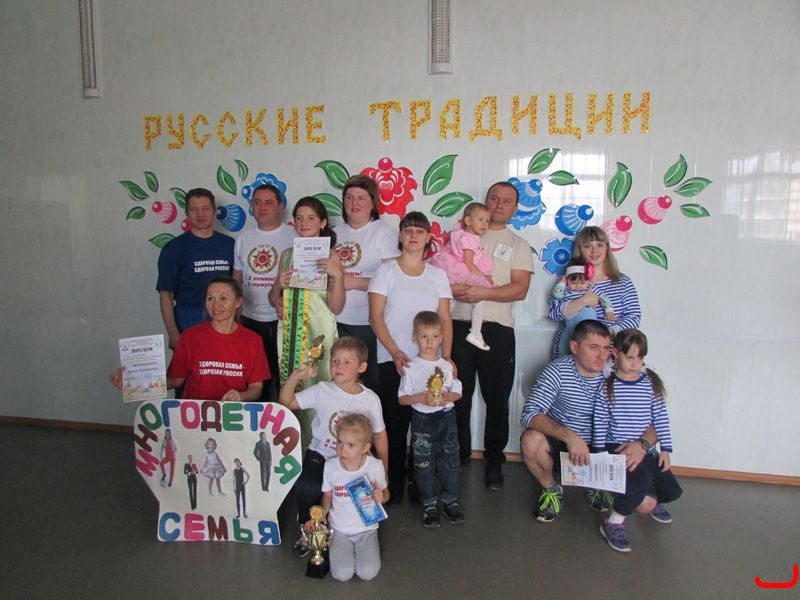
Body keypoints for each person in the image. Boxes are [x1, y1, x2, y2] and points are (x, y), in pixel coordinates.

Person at [520, 320, 657, 523]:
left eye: (606, 348)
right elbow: (530, 414)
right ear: (574, 347)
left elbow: (656, 422)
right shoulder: (557, 371)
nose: (602, 356)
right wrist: (569, 436)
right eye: (594, 348)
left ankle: (597, 486)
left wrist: (643, 444)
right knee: (531, 440)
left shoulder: (623, 372)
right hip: (568, 447)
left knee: (647, 504)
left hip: (610, 447)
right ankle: (552, 489)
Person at [450, 182, 533, 490]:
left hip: (497, 330)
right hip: (458, 325)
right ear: (484, 201)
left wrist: (483, 293)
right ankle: (458, 456)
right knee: (458, 396)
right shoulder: (460, 235)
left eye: (506, 201)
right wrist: (452, 289)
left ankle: (495, 461)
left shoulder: (518, 244)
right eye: (494, 198)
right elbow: (439, 272)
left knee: (497, 399)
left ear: (514, 208)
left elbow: (520, 289)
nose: (498, 204)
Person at [368, 211, 453, 504]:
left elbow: (445, 318)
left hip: (428, 363)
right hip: (393, 359)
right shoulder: (386, 271)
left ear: (428, 238)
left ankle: (421, 483)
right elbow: (375, 317)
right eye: (408, 230)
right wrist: (395, 352)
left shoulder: (437, 275)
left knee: (425, 428)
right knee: (395, 424)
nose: (413, 235)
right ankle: (393, 483)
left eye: (419, 231)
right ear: (401, 235)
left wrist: (447, 357)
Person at [278, 336, 388, 559]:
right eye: (335, 361)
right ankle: (308, 528)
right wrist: (296, 376)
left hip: (356, 459)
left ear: (361, 367)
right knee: (307, 486)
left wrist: (384, 467)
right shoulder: (322, 390)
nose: (339, 366)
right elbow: (286, 402)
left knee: (359, 495)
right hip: (322, 454)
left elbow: (379, 434)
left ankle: (354, 528)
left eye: (347, 362)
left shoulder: (370, 399)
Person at [592, 329, 682, 552]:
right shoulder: (607, 386)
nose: (635, 363)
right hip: (617, 447)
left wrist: (665, 449)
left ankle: (652, 498)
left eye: (640, 358)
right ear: (616, 354)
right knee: (639, 480)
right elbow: (600, 421)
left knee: (671, 489)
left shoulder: (650, 383)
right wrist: (599, 452)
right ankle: (613, 522)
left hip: (644, 447)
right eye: (629, 357)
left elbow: (660, 417)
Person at [110, 277, 270, 402]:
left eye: (223, 298)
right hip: (193, 419)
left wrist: (241, 396)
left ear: (238, 302)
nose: (216, 305)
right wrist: (135, 383)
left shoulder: (252, 341)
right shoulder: (190, 337)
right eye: (210, 298)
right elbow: (176, 380)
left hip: (233, 419)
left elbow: (256, 388)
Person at [269, 197, 344, 391]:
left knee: (320, 382)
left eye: (311, 218)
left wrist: (338, 276)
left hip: (319, 329)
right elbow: (273, 299)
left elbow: (337, 307)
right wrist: (277, 292)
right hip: (290, 330)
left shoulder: (331, 257)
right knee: (291, 383)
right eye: (299, 218)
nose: (304, 223)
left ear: (323, 222)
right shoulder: (287, 255)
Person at [333, 175, 400, 393]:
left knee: (371, 385)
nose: (354, 203)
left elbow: (394, 280)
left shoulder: (384, 232)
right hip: (336, 320)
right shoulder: (334, 233)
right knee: (341, 384)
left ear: (373, 202)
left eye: (361, 197)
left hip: (369, 322)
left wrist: (353, 282)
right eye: (349, 197)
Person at [398, 311, 464, 528]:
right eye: (424, 336)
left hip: (447, 418)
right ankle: (429, 504)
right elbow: (402, 399)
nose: (429, 342)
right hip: (422, 420)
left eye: (435, 336)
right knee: (423, 463)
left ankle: (450, 500)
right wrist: (421, 398)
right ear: (414, 337)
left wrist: (447, 397)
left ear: (441, 338)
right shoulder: (410, 367)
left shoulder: (447, 366)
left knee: (450, 461)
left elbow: (458, 392)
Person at [233, 183, 295, 402]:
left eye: (268, 203)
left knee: (284, 379)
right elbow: (236, 281)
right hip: (250, 320)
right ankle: (257, 421)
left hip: (283, 320)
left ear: (280, 206)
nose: (262, 207)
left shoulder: (294, 235)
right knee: (254, 381)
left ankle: (282, 420)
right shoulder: (243, 239)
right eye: (257, 202)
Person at [156, 188, 235, 350]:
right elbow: (166, 294)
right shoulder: (174, 249)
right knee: (190, 364)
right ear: (187, 213)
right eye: (194, 209)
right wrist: (173, 333)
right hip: (188, 317)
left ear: (214, 211)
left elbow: (238, 287)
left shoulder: (230, 245)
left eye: (205, 208)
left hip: (223, 315)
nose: (200, 214)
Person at [549, 225, 640, 359]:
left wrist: (607, 334)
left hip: (610, 355)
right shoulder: (569, 279)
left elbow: (634, 317)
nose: (594, 251)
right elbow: (554, 314)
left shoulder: (622, 281)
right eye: (587, 246)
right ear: (580, 250)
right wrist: (584, 301)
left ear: (606, 248)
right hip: (571, 354)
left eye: (599, 245)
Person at [319, 413, 388, 582]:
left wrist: (381, 496)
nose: (342, 449)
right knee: (341, 574)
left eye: (351, 445)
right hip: (339, 529)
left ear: (365, 447)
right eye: (339, 442)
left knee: (368, 573)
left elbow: (385, 493)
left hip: (367, 529)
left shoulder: (375, 466)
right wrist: (320, 514)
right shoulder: (330, 466)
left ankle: (366, 548)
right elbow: (327, 496)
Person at [429, 202, 494, 351]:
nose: (485, 224)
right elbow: (468, 262)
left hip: (450, 266)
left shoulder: (460, 231)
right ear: (468, 220)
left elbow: (453, 237)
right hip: (461, 270)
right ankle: (476, 333)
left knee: (447, 302)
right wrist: (483, 277)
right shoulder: (470, 239)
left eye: (487, 221)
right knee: (480, 299)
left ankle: (437, 328)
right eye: (481, 220)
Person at [551, 256, 615, 357]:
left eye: (582, 283)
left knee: (588, 346)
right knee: (566, 344)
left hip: (589, 323)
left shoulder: (590, 287)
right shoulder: (566, 289)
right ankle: (562, 358)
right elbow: (557, 295)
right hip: (571, 323)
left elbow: (603, 297)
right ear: (567, 279)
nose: (578, 286)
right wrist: (562, 283)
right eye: (574, 283)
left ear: (588, 280)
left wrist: (609, 310)